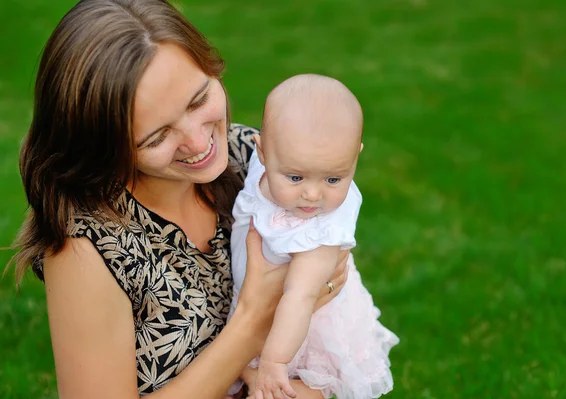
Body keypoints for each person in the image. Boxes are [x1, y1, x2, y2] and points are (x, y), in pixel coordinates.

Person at [8, 1, 350, 398]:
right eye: (156, 137)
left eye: (198, 100)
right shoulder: (89, 247)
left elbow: (332, 294)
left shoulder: (252, 159)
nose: (197, 142)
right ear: (106, 148)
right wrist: (254, 320)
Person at [227, 74, 399, 399]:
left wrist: (274, 361)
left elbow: (301, 297)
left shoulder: (321, 231)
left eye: (333, 179)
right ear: (261, 152)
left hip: (298, 328)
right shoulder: (260, 165)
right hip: (258, 301)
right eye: (295, 177)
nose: (312, 194)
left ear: (355, 158)